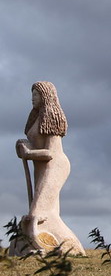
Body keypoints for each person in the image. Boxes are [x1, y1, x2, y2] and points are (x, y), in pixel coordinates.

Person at [13, 81, 85, 256]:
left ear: (45, 97)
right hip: (41, 167)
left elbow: (51, 153)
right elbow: (35, 145)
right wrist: (23, 146)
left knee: (39, 213)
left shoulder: (51, 118)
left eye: (36, 95)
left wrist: (29, 153)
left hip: (55, 166)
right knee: (46, 212)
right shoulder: (36, 119)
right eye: (32, 95)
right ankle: (32, 245)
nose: (33, 99)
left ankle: (67, 247)